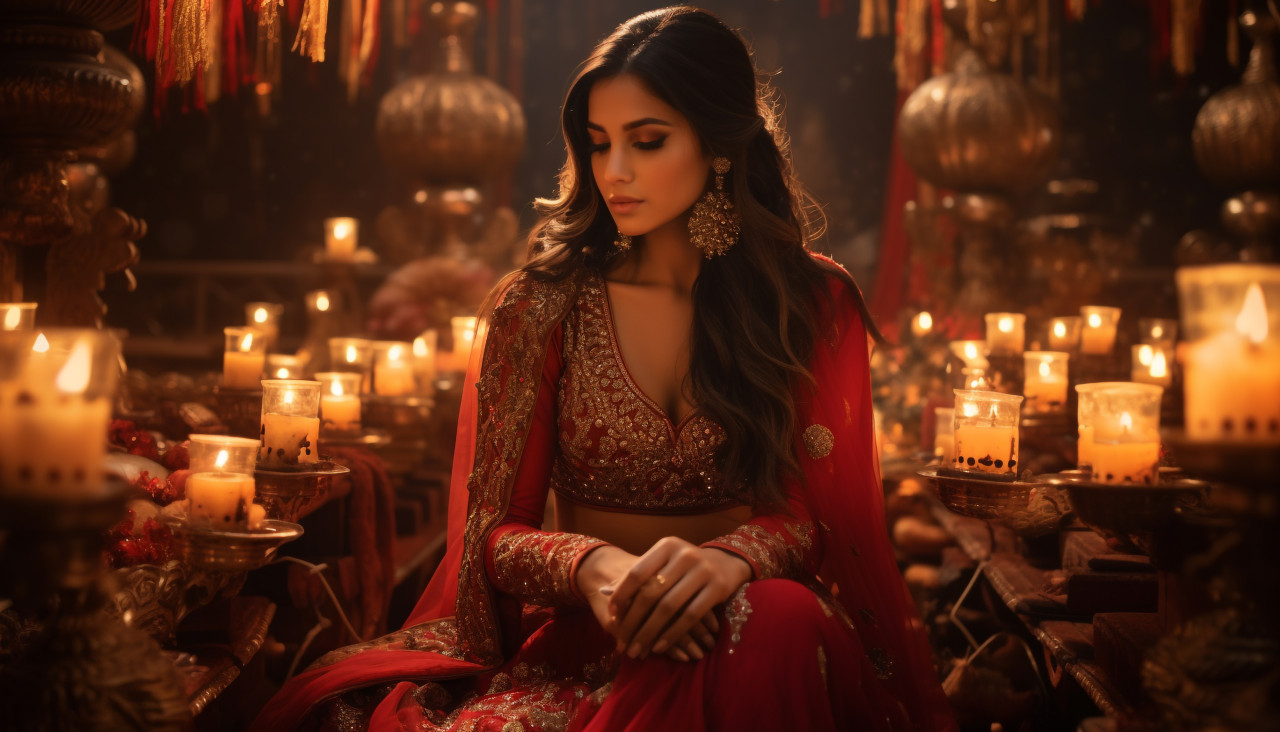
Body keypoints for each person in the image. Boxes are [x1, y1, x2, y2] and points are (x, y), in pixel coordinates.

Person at [252, 6, 957, 730]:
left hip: (751, 623)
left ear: (718, 145)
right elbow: (492, 536)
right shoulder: (542, 307)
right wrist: (597, 569)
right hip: (592, 641)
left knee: (773, 613)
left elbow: (817, 512)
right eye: (597, 145)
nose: (614, 173)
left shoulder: (806, 302)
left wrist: (731, 562)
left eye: (646, 142)